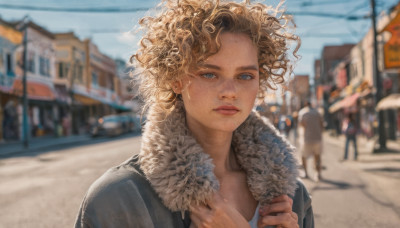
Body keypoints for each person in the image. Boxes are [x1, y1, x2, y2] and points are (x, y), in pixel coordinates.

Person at [75, 0, 314, 227]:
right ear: (176, 79)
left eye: (245, 76)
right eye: (209, 74)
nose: (230, 92)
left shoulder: (293, 197)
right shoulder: (118, 199)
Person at [298, 101, 323, 181]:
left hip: (306, 138)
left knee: (303, 156)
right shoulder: (317, 112)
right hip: (317, 137)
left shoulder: (302, 112)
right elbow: (321, 124)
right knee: (317, 156)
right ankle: (318, 173)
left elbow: (301, 124)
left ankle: (305, 172)